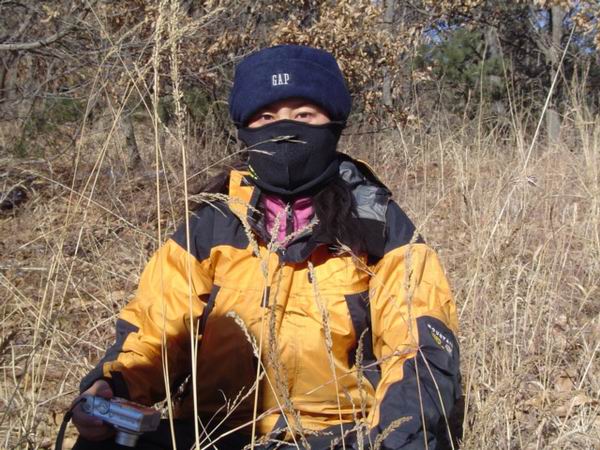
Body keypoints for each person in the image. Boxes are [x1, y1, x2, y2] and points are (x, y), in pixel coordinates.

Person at [71, 45, 462, 450]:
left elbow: (420, 354)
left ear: (334, 122)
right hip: (212, 433)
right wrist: (111, 386)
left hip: (339, 436)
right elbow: (155, 330)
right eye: (267, 117)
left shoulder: (380, 228)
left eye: (304, 115)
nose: (285, 130)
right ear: (245, 128)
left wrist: (393, 438)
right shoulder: (212, 224)